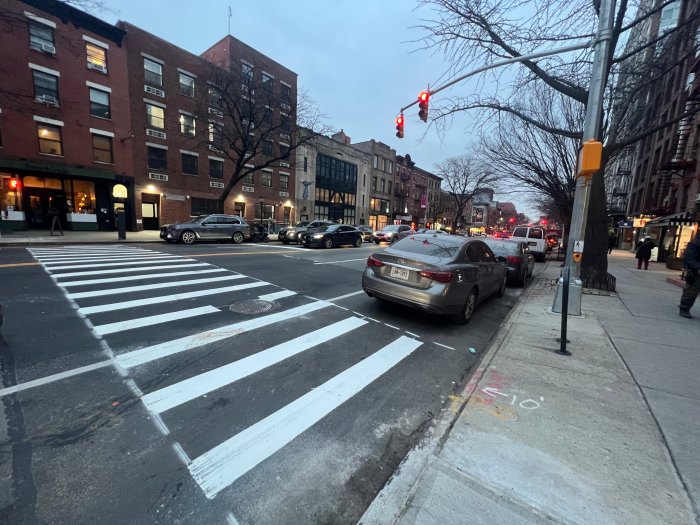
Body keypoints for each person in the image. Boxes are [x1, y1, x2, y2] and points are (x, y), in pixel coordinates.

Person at [679, 234, 700, 318]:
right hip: (696, 272)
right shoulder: (696, 243)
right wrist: (697, 267)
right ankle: (684, 308)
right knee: (692, 289)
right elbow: (688, 257)